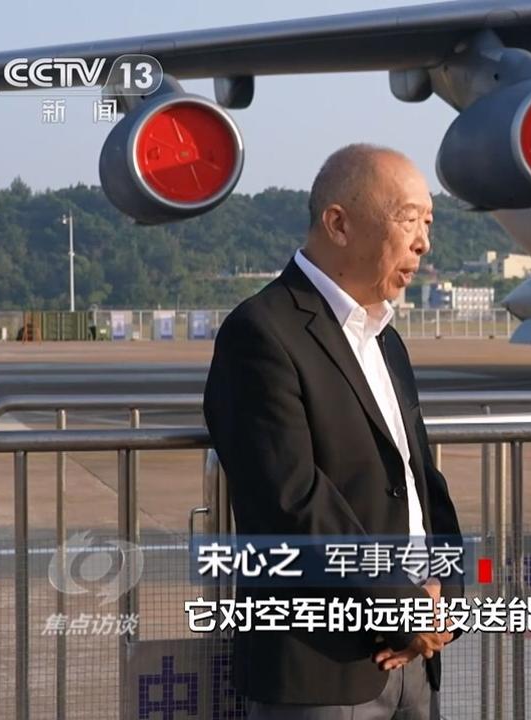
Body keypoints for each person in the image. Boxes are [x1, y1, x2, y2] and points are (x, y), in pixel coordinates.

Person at [203, 144, 464, 720]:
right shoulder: (261, 332)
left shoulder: (385, 337)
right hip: (323, 666)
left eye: (428, 222)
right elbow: (291, 499)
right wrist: (401, 607)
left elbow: (421, 482)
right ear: (339, 224)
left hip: (415, 656)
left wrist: (447, 598)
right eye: (409, 219)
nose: (424, 242)